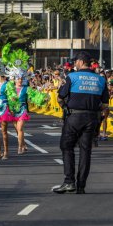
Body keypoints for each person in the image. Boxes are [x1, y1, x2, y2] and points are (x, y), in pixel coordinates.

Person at [53, 52, 109, 194]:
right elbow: (104, 105)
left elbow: (60, 97)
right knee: (86, 151)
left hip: (74, 117)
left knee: (66, 146)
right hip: (91, 119)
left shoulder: (72, 77)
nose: (74, 64)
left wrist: (64, 107)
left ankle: (69, 181)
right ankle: (81, 186)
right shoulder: (101, 80)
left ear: (80, 62)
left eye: (75, 62)